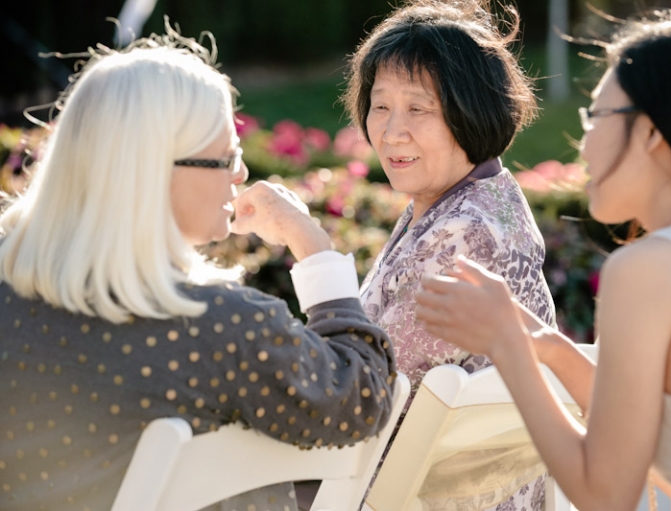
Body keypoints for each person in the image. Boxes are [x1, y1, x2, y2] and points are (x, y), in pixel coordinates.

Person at [0, 23, 396, 511]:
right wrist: (313, 246)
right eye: (227, 156)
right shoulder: (221, 328)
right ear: (155, 168)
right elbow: (361, 398)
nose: (241, 173)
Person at [415, 9, 671, 511]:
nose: (583, 144)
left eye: (596, 117)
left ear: (652, 132)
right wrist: (549, 347)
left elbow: (605, 494)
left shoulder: (650, 268)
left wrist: (506, 344)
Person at [342, 0, 556, 508]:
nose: (392, 131)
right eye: (380, 105)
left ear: (471, 111)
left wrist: (310, 252)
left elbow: (352, 393)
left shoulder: (464, 236)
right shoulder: (480, 197)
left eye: (418, 108)